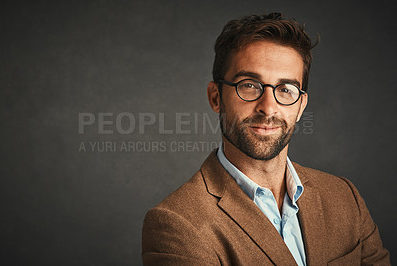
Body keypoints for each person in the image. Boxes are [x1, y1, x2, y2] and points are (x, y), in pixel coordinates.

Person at [142, 13, 390, 265]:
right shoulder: (177, 224)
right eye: (249, 85)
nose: (268, 107)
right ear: (215, 97)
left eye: (285, 90)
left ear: (301, 105)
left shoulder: (345, 197)